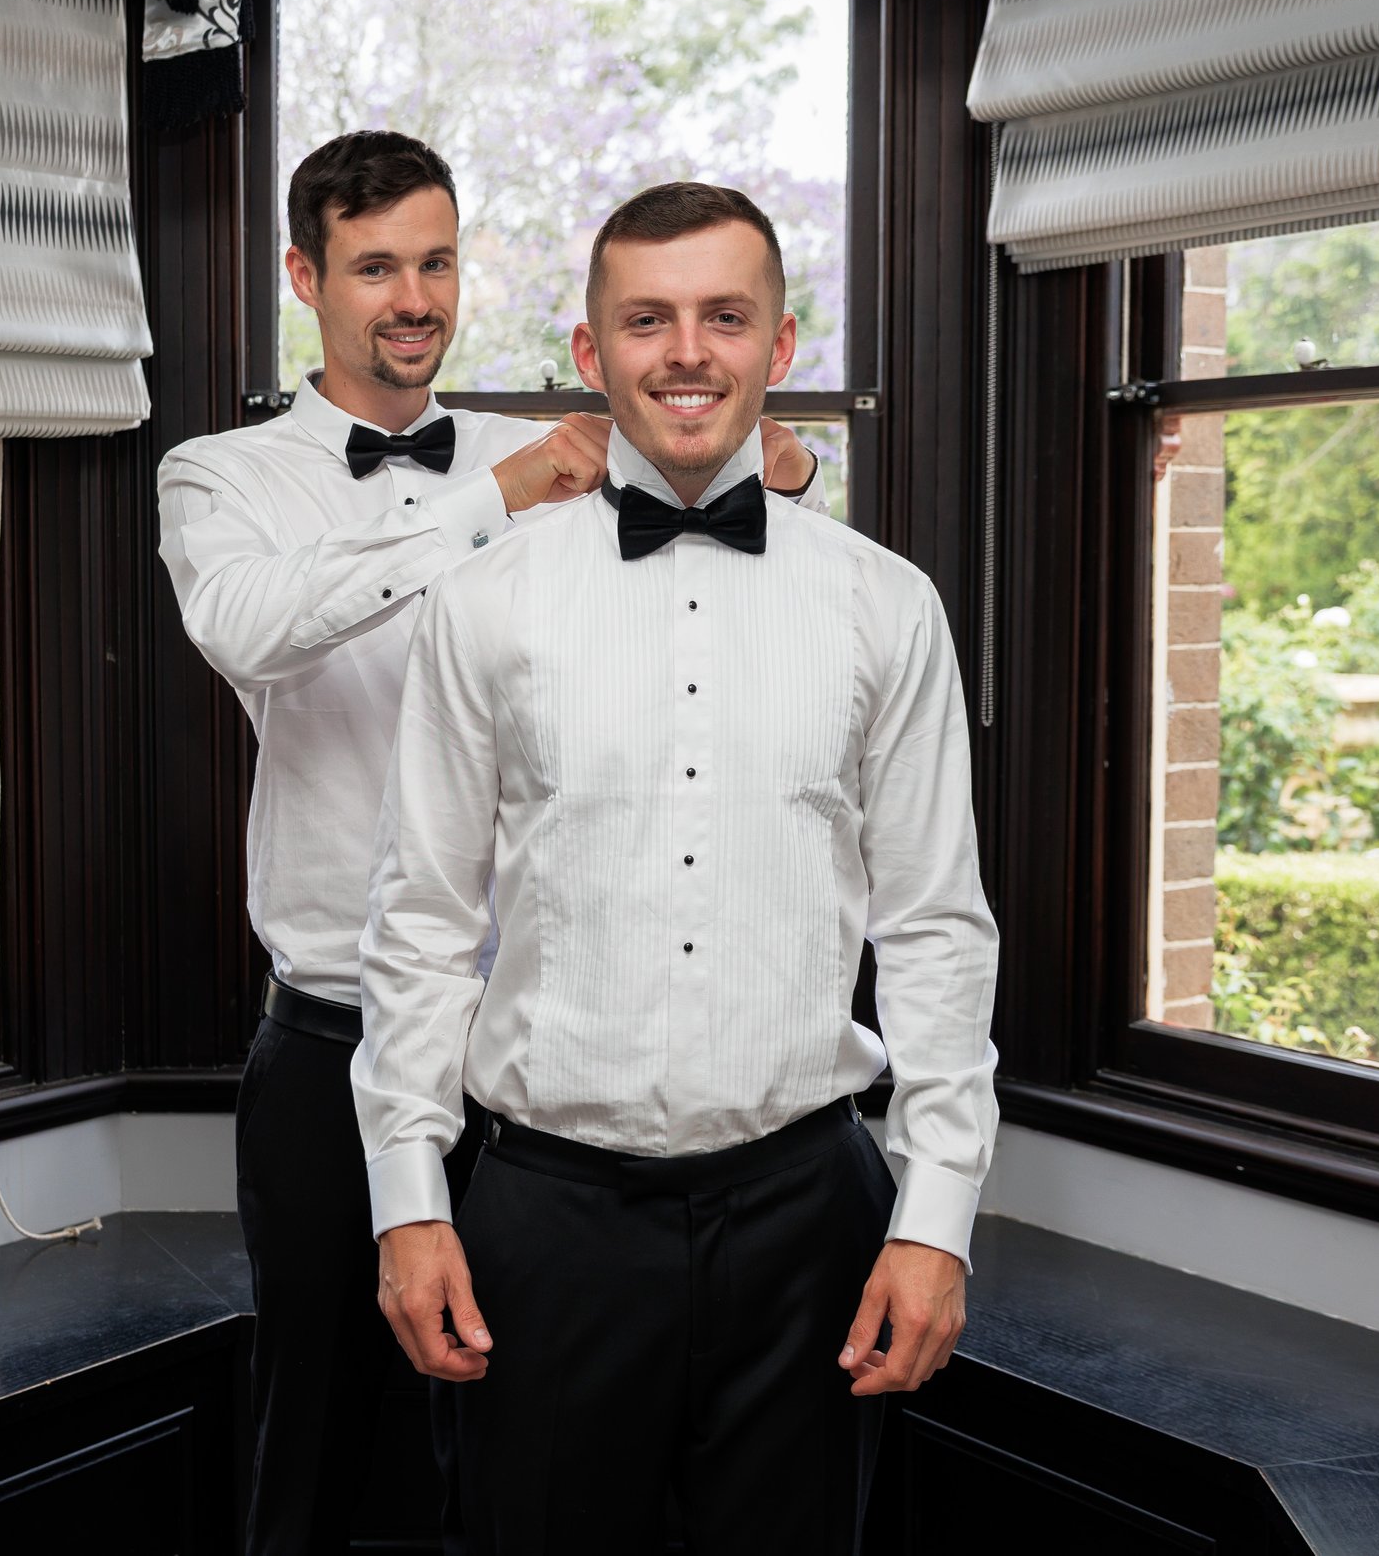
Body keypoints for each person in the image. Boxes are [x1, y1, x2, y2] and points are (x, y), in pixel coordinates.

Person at [155, 133, 826, 1556]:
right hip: (338, 1047)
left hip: (539, 1074)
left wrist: (770, 456)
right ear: (305, 276)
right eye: (377, 266)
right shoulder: (223, 479)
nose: (415, 297)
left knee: (526, 1450)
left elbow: (709, 521)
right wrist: (491, 502)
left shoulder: (561, 457)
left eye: (439, 262)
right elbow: (245, 628)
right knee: (322, 1438)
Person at [355, 181, 1000, 1555]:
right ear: (592, 354)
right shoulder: (483, 604)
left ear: (780, 341)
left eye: (724, 316)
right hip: (547, 1212)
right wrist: (409, 1203)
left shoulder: (888, 608)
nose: (687, 352)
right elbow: (418, 924)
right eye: (646, 319)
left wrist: (937, 1211)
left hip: (809, 1219)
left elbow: (939, 928)